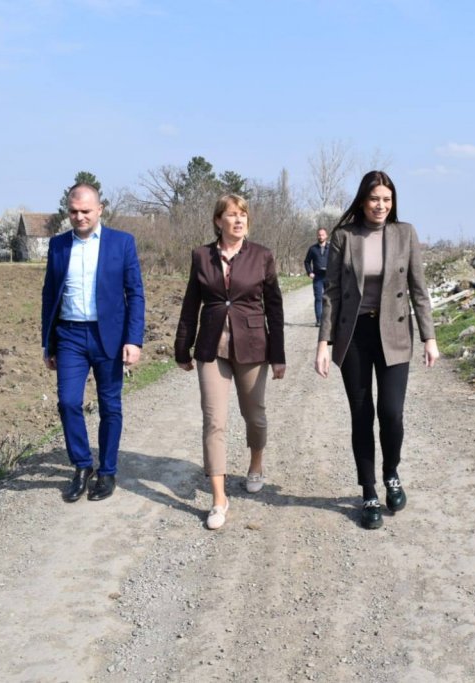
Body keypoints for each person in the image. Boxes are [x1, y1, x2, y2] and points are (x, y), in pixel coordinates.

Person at [314, 171, 439, 529]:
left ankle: (391, 473)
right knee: (361, 415)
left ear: (393, 202)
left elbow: (418, 289)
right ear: (362, 201)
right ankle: (368, 490)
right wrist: (323, 342)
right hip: (354, 335)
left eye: (386, 199)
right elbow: (331, 293)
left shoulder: (405, 233)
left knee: (391, 412)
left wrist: (429, 337)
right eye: (374, 199)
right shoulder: (344, 236)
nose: (380, 205)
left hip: (394, 333)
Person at [174, 193, 286, 530]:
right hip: (211, 348)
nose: (238, 220)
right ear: (218, 220)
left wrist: (278, 355)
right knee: (214, 421)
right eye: (232, 214)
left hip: (252, 346)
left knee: (254, 414)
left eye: (243, 214)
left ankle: (256, 463)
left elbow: (275, 308)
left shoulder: (262, 256)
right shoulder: (201, 256)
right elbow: (190, 304)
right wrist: (182, 347)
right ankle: (219, 499)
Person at [41, 183, 145, 503]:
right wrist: (48, 343)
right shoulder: (58, 245)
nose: (80, 217)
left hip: (108, 336)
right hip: (69, 336)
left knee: (110, 405)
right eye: (74, 211)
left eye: (86, 211)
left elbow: (135, 294)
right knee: (68, 402)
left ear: (100, 209)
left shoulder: (122, 243)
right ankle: (82, 465)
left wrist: (134, 339)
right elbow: (49, 294)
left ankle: (108, 470)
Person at [304, 228, 329, 326]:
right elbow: (307, 262)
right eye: (319, 235)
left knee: (329, 299)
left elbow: (337, 261)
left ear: (326, 236)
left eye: (322, 235)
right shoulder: (312, 249)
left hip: (329, 277)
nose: (320, 237)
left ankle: (328, 320)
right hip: (318, 277)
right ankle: (319, 320)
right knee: (318, 298)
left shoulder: (332, 248)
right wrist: (309, 272)